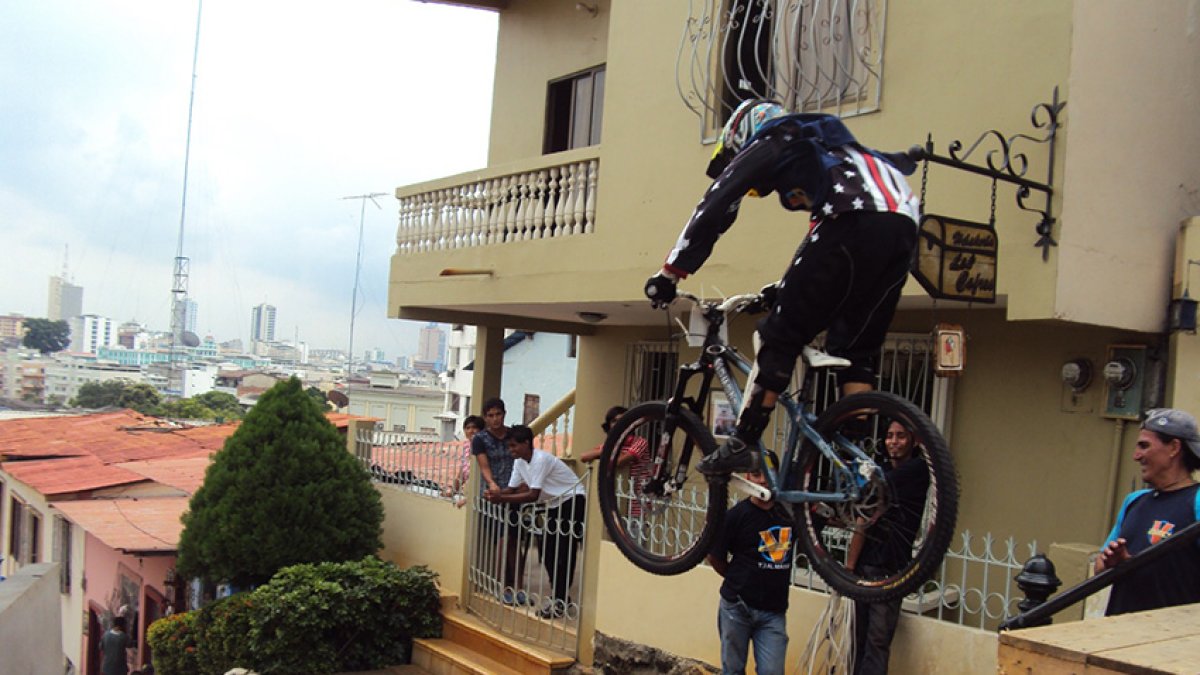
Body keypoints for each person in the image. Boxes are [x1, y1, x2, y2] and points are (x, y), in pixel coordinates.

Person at [643, 99, 919, 475]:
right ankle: (856, 464)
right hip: (904, 230)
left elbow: (717, 203)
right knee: (858, 351)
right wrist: (783, 286)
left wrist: (670, 273)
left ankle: (743, 442)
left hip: (851, 223)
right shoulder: (845, 153)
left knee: (778, 335)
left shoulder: (777, 136)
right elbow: (819, 245)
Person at [1094, 408, 1200, 616]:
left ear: (1174, 448)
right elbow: (1099, 567)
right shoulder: (1134, 500)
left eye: (1144, 446)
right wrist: (1113, 563)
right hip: (1118, 633)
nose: (1136, 456)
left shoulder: (1195, 500)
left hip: (1169, 640)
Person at [845, 421, 929, 675]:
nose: (894, 441)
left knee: (878, 639)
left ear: (913, 441)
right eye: (890, 436)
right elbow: (862, 520)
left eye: (901, 436)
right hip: (865, 566)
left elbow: (867, 500)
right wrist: (850, 567)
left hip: (891, 568)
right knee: (857, 637)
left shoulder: (917, 470)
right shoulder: (881, 471)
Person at [485, 425, 587, 619]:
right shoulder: (520, 462)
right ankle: (559, 596)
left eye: (514, 446)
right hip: (554, 503)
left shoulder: (540, 459)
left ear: (526, 443)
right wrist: (495, 493)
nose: (511, 450)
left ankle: (559, 600)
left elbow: (533, 495)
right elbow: (512, 488)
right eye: (509, 446)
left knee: (564, 551)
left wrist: (502, 499)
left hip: (572, 500)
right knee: (548, 550)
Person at [706, 467, 794, 675]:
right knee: (733, 670)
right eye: (756, 474)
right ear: (747, 479)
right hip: (737, 608)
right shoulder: (736, 515)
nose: (763, 480)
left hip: (773, 613)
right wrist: (739, 580)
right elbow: (715, 557)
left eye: (768, 474)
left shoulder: (789, 514)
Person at [471, 398, 528, 605]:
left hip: (515, 493)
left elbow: (522, 458)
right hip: (493, 496)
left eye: (498, 414)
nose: (495, 419)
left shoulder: (513, 435)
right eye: (490, 415)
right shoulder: (480, 439)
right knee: (502, 541)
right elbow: (484, 466)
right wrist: (492, 484)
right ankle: (501, 585)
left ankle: (519, 586)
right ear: (486, 418)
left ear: (504, 414)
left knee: (515, 541)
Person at [580, 405, 652, 517]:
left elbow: (619, 462)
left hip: (636, 506)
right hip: (616, 504)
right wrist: (603, 452)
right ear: (609, 425)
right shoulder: (609, 445)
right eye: (614, 421)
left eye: (623, 420)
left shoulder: (640, 443)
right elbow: (584, 457)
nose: (618, 424)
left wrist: (605, 453)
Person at [444, 414, 485, 507]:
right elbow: (462, 473)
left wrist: (468, 499)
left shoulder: (484, 447)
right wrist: (453, 491)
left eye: (474, 427)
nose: (471, 431)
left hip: (480, 496)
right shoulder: (466, 446)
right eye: (467, 428)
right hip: (469, 492)